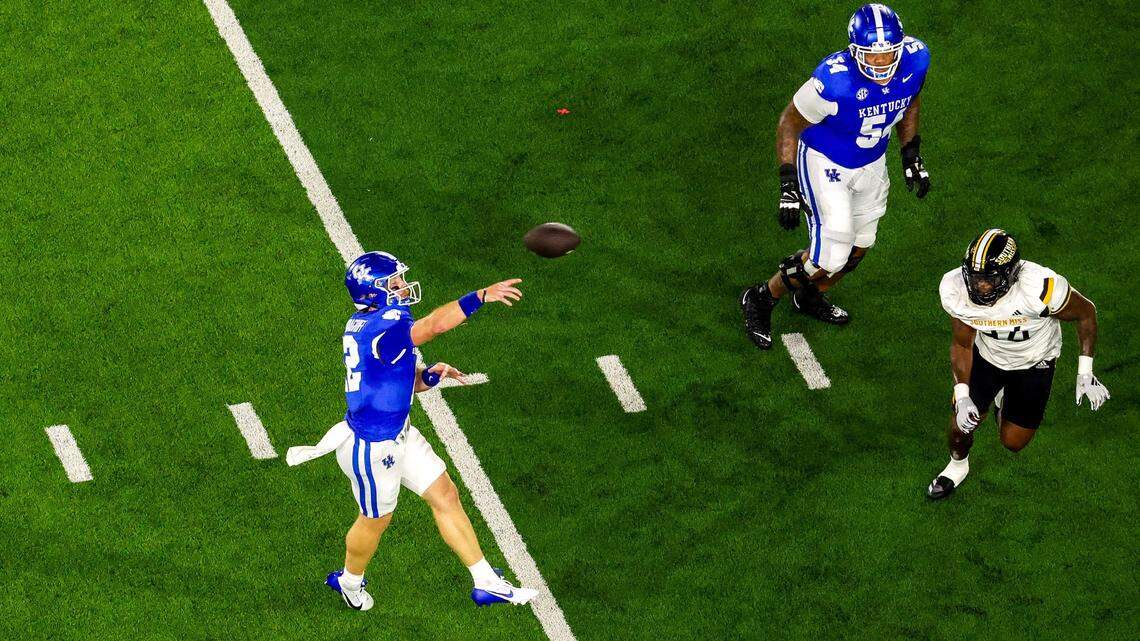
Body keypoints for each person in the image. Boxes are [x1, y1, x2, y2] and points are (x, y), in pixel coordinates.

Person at [286, 251, 537, 610]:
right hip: (372, 447)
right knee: (375, 521)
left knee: (445, 495)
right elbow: (433, 325)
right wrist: (480, 296)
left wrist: (430, 375)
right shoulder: (382, 329)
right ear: (374, 291)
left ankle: (485, 582)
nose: (403, 287)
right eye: (395, 283)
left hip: (399, 430)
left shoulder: (374, 322)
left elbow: (409, 381)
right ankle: (349, 581)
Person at [742, 3, 931, 349]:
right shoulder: (833, 80)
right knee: (828, 256)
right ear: (855, 51)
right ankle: (761, 297)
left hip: (871, 162)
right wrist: (788, 184)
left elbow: (910, 100)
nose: (882, 63)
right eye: (872, 56)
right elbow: (789, 122)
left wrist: (910, 152)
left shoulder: (916, 60)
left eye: (889, 53)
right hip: (825, 162)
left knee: (861, 245)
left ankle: (810, 296)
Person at [927, 230, 1110, 499]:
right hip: (988, 358)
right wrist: (962, 396)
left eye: (989, 279)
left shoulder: (1039, 288)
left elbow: (1086, 313)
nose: (980, 287)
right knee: (959, 425)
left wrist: (1085, 372)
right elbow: (963, 344)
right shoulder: (955, 289)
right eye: (975, 278)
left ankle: (1003, 399)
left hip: (1035, 362)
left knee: (1013, 442)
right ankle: (957, 466)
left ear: (1012, 273)